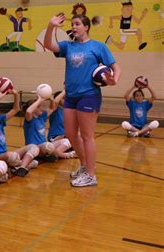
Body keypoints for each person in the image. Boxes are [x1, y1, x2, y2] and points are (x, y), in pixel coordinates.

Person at [44, 14, 121, 187]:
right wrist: (51, 26)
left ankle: (91, 175)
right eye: (72, 24)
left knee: (87, 136)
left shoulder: (98, 47)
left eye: (78, 24)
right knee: (71, 135)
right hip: (71, 96)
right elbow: (49, 45)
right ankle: (85, 166)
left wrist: (114, 79)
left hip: (89, 95)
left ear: (86, 27)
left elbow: (116, 67)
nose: (74, 26)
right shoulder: (68, 46)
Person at [0, 89, 39, 178]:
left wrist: (15, 95)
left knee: (33, 147)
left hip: (5, 155)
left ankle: (21, 167)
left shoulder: (0, 120)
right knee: (12, 155)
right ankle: (20, 165)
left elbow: (16, 109)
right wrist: (0, 96)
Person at [23, 98, 58, 168]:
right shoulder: (29, 118)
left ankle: (44, 156)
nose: (42, 108)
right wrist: (40, 99)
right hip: (33, 147)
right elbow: (28, 112)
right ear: (33, 108)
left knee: (63, 141)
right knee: (49, 146)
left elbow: (52, 108)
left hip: (42, 147)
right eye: (39, 107)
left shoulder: (41, 117)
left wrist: (51, 99)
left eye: (41, 106)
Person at [48, 90, 77, 159]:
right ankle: (61, 153)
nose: (66, 100)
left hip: (64, 137)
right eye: (63, 98)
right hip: (55, 138)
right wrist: (65, 90)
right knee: (69, 140)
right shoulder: (55, 110)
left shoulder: (66, 111)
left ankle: (57, 152)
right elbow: (55, 101)